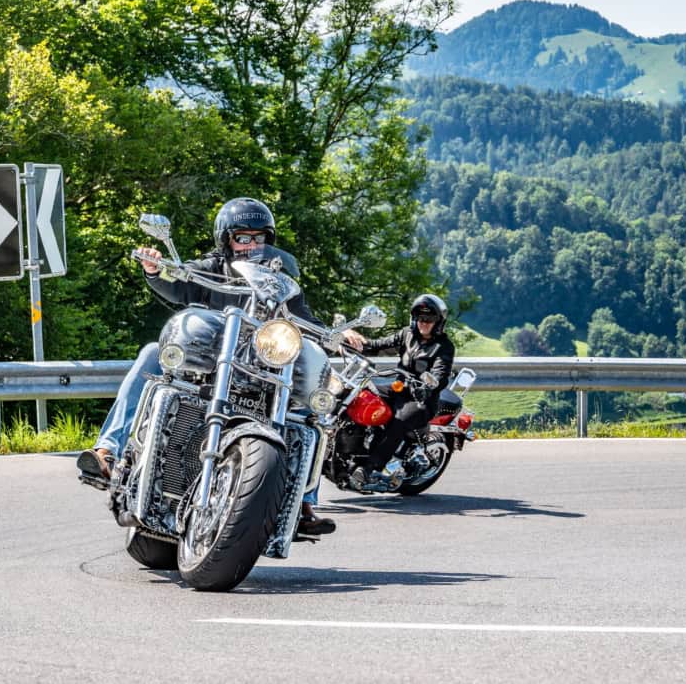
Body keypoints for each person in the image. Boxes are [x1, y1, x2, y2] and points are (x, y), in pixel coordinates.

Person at [77, 197, 364, 536]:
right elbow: (178, 286)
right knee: (152, 353)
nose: (251, 245)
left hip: (260, 368)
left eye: (259, 238)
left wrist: (337, 335)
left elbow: (304, 319)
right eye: (243, 237)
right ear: (226, 239)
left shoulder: (278, 280)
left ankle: (301, 500)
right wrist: (154, 269)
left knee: (311, 407)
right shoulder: (211, 267)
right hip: (210, 362)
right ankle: (107, 453)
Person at [352, 294, 456, 486]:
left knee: (398, 421)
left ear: (438, 322)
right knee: (362, 394)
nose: (424, 322)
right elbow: (377, 345)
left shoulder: (444, 347)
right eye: (420, 317)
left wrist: (427, 387)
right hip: (399, 389)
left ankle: (370, 469)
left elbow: (440, 374)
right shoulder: (407, 334)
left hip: (421, 399)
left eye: (429, 318)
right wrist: (353, 342)